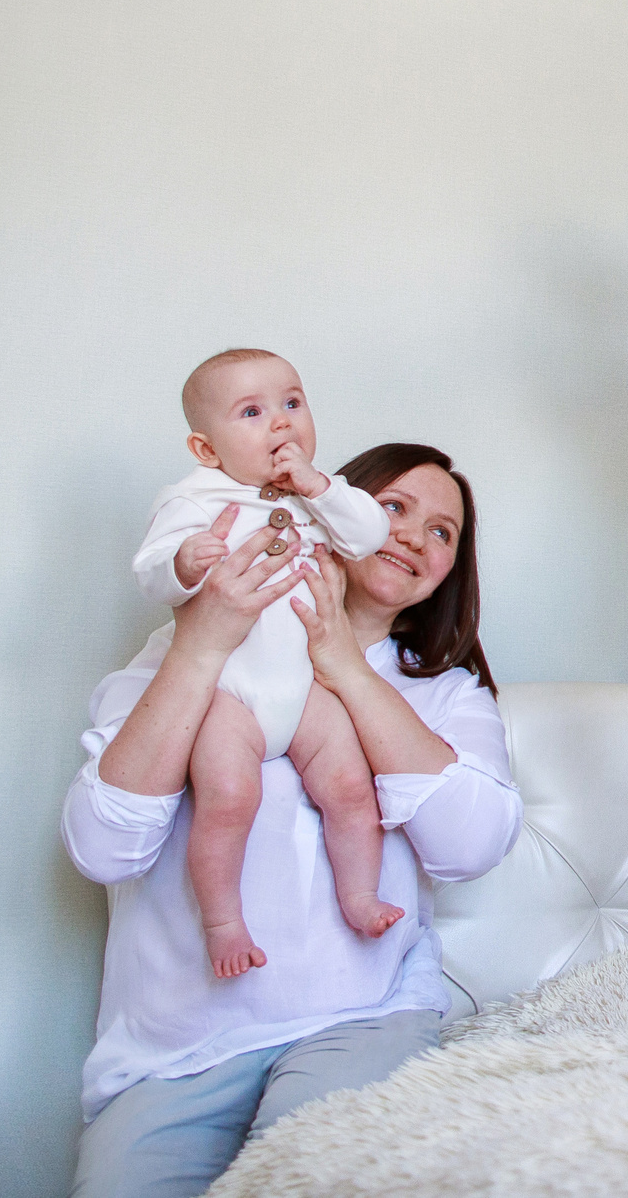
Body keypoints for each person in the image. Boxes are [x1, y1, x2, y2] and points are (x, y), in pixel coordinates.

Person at [65, 442, 521, 1196]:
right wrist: (202, 643)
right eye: (395, 508)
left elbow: (470, 844)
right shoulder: (178, 655)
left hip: (361, 1022)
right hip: (174, 1050)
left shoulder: (447, 696)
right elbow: (103, 847)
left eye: (444, 531)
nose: (413, 534)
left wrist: (341, 661)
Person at [131, 348, 398, 976]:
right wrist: (183, 561)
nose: (280, 422)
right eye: (251, 412)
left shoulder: (316, 493)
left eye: (291, 402)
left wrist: (323, 487)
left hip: (305, 688)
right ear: (205, 448)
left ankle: (359, 896)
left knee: (352, 790)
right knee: (228, 796)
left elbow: (365, 536)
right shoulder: (193, 496)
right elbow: (150, 573)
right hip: (230, 691)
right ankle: (224, 923)